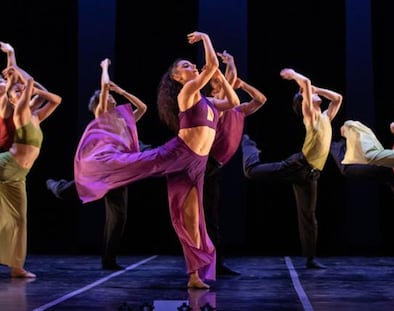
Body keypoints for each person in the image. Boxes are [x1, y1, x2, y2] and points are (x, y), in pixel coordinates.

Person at [73, 32, 240, 288]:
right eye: (186, 66)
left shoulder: (208, 101)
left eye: (192, 64)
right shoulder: (188, 94)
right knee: (136, 163)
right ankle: (97, 167)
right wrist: (206, 39)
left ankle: (194, 277)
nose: (193, 67)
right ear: (177, 77)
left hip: (197, 164)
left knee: (191, 220)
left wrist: (219, 77)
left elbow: (234, 101)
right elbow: (212, 65)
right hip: (178, 153)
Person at [46, 59, 148, 271]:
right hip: (101, 166)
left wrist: (121, 90)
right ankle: (56, 185)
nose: (111, 98)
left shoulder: (121, 120)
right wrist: (104, 69)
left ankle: (108, 260)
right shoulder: (102, 114)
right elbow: (103, 89)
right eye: (109, 97)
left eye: (112, 97)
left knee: (118, 216)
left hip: (118, 170)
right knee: (68, 192)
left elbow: (143, 107)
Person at [242, 68, 343, 269]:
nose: (314, 94)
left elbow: (338, 98)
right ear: (304, 101)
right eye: (310, 95)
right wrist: (294, 75)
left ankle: (310, 258)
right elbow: (305, 82)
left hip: (311, 175)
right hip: (298, 166)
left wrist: (317, 89)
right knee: (252, 172)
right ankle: (248, 144)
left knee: (308, 216)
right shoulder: (311, 116)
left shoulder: (325, 118)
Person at [203, 50, 267, 275]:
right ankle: (209, 264)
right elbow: (226, 81)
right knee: (206, 217)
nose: (223, 84)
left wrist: (243, 83)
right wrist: (230, 63)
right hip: (205, 164)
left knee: (211, 217)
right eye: (218, 83)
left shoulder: (238, 110)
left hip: (215, 166)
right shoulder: (216, 104)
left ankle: (214, 263)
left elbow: (261, 100)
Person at [0, 63, 61, 278]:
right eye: (15, 92)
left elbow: (55, 99)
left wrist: (33, 89)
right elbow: (29, 82)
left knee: (19, 220)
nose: (20, 92)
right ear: (11, 98)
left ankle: (17, 268)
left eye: (21, 90)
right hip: (4, 166)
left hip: (19, 175)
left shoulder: (36, 117)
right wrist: (13, 61)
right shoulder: (19, 110)